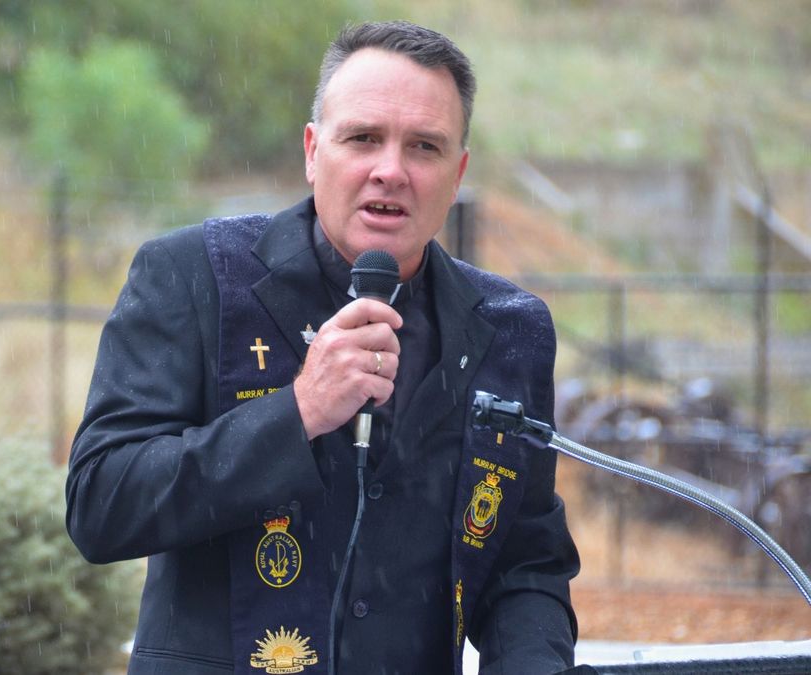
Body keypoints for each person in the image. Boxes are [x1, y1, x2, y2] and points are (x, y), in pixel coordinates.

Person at [67, 21, 579, 674]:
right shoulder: (193, 276)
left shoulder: (511, 329)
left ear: (458, 174)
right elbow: (102, 503)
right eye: (363, 138)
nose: (390, 170)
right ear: (313, 152)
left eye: (424, 146)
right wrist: (298, 411)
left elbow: (526, 564)